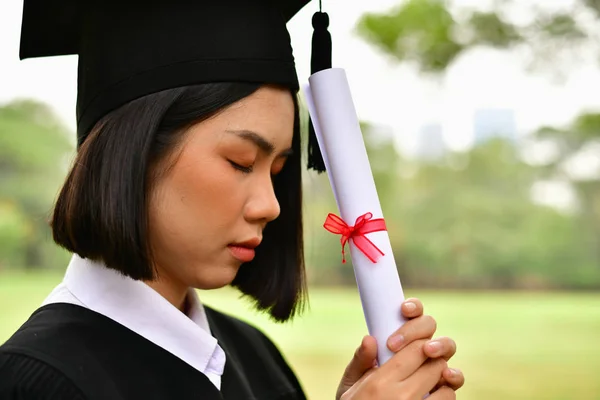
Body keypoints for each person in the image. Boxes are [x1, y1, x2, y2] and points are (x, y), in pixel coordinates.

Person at [0, 0, 465, 399]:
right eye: (241, 162)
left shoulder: (253, 357)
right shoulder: (36, 380)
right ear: (136, 153)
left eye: (278, 171)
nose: (272, 205)